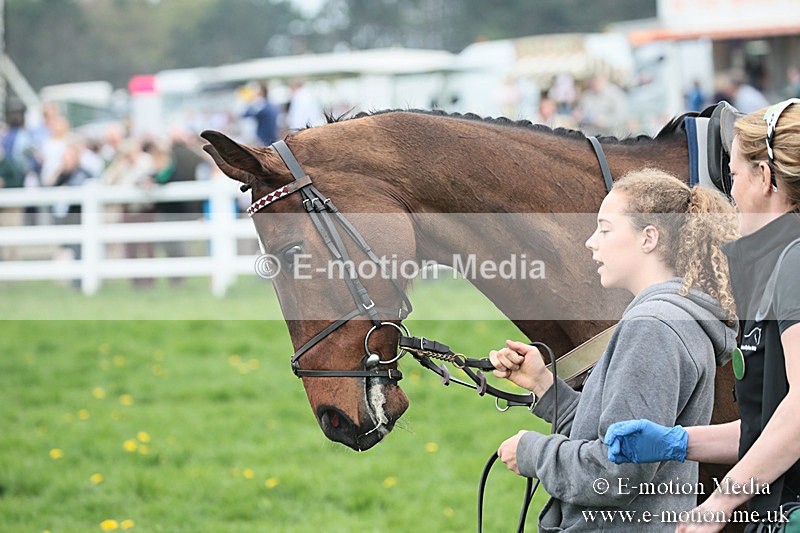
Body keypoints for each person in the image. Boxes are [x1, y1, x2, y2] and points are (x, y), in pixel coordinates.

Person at [490, 169, 739, 531]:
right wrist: (543, 385)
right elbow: (615, 437)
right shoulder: (672, 317)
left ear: (648, 238)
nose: (591, 242)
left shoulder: (652, 328)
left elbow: (616, 471)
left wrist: (533, 452)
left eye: (605, 230)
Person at [604, 99, 800, 532]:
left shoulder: (794, 263)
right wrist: (678, 442)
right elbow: (766, 429)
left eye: (734, 176)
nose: (732, 193)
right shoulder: (780, 261)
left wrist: (721, 502)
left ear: (764, 177)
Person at [241, 82, 279, 146]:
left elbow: (245, 114)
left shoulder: (261, 105)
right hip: (271, 137)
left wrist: (251, 101)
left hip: (264, 139)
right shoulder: (271, 104)